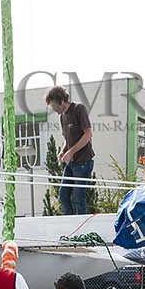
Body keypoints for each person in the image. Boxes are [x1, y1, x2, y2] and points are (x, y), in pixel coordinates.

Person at [45, 86, 94, 217]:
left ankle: (82, 229)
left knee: (78, 198)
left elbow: (88, 134)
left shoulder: (79, 109)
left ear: (61, 101)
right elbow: (68, 139)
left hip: (83, 162)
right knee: (63, 195)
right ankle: (70, 223)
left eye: (54, 106)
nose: (54, 110)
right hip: (71, 164)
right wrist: (63, 151)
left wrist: (71, 152)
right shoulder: (62, 117)